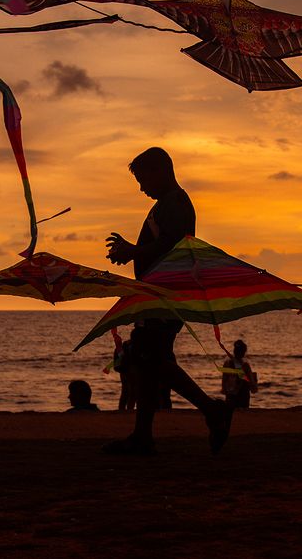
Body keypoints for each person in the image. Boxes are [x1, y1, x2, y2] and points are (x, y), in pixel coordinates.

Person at [104, 147, 233, 455]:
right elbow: (161, 245)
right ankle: (143, 435)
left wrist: (133, 252)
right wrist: (131, 251)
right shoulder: (168, 204)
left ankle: (212, 410)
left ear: (159, 171)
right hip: (159, 295)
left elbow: (172, 245)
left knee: (151, 359)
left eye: (143, 179)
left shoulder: (173, 203)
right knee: (146, 361)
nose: (141, 188)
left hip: (166, 296)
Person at [221, 339, 257, 409]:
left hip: (230, 394)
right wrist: (254, 385)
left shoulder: (227, 363)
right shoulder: (245, 365)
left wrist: (224, 389)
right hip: (242, 394)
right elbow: (251, 382)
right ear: (243, 353)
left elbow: (224, 379)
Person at [114, 338, 137, 411]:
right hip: (128, 371)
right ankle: (128, 409)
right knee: (130, 392)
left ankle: (124, 409)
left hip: (125, 371)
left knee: (126, 392)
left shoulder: (125, 345)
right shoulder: (127, 346)